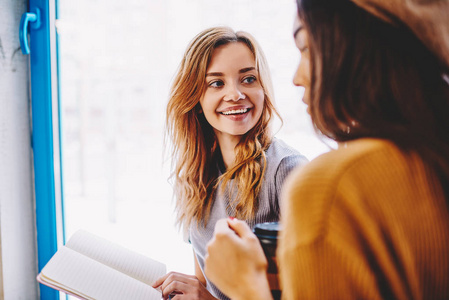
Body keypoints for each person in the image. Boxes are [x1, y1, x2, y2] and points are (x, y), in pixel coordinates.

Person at [204, 0, 449, 299]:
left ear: (355, 50)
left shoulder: (328, 186)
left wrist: (245, 287)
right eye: (215, 83)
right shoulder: (432, 155)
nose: (296, 77)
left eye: (306, 48)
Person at [152, 26, 308, 300]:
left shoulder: (287, 170)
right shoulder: (195, 176)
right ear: (196, 99)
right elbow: (208, 284)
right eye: (216, 83)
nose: (235, 94)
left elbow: (310, 292)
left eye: (248, 79)